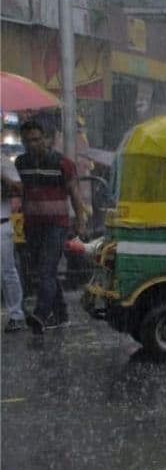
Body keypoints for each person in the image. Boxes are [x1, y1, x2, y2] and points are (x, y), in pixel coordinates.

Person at [14, 119, 87, 333]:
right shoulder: (20, 163)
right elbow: (18, 191)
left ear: (46, 139)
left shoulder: (62, 163)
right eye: (27, 141)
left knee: (46, 270)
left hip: (57, 226)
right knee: (45, 271)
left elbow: (75, 194)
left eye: (36, 139)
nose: (32, 144)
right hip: (32, 225)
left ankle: (41, 314)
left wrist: (80, 222)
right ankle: (61, 314)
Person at [1, 157, 26, 332]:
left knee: (7, 271)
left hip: (1, 224)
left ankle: (16, 315)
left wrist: (2, 177)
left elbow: (19, 189)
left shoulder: (2, 161)